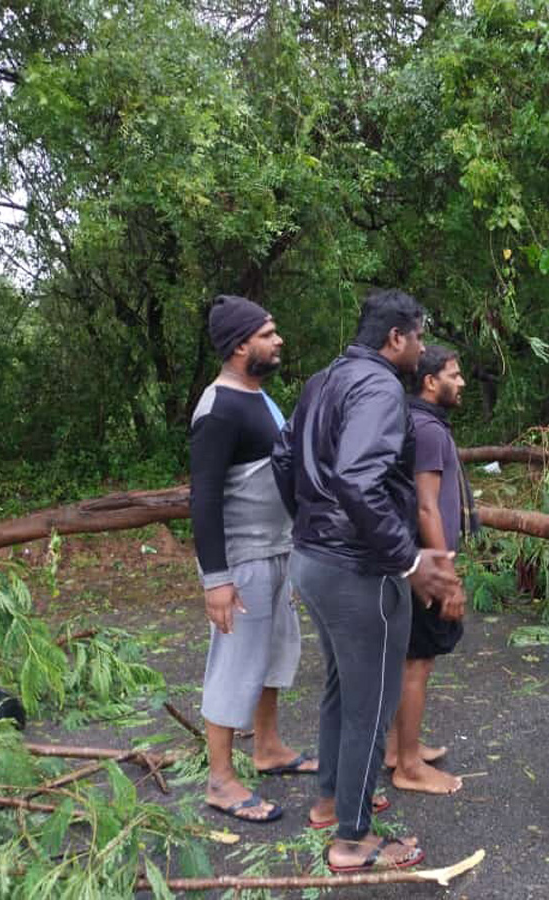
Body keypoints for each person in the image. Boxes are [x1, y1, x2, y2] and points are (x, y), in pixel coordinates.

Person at [272, 288, 461, 872]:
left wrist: (310, 522)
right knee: (369, 705)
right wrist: (407, 560)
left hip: (313, 558)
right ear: (396, 338)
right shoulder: (379, 386)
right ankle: (353, 840)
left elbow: (284, 457)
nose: (424, 347)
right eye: (420, 336)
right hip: (359, 568)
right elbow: (357, 478)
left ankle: (330, 802)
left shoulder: (322, 379)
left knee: (339, 689)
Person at [190, 294, 317, 825]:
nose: (278, 340)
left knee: (273, 654)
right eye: (268, 333)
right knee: (236, 663)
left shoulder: (258, 397)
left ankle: (267, 748)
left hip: (276, 551)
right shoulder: (218, 409)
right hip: (241, 560)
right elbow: (203, 498)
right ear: (241, 344)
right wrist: (216, 581)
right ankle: (220, 779)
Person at [384, 345, 476, 795]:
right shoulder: (428, 429)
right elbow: (426, 507)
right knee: (417, 662)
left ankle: (399, 747)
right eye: (453, 375)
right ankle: (408, 765)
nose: (460, 383)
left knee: (406, 659)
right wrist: (445, 575)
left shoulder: (412, 420)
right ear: (429, 381)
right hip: (423, 562)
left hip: (410, 557)